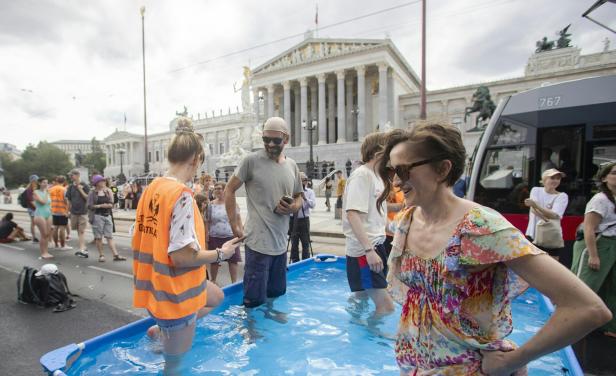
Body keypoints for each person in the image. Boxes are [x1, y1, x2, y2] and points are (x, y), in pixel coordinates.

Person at [376, 122, 611, 375]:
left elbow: (587, 308)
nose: (396, 181)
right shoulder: (407, 220)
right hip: (413, 364)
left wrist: (513, 360)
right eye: (391, 170)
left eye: (402, 169)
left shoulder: (479, 227)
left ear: (442, 169)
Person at [133, 117, 240, 374]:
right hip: (174, 296)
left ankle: (160, 330)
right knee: (176, 367)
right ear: (195, 159)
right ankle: (168, 332)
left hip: (153, 287)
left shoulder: (152, 188)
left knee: (216, 296)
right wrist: (220, 254)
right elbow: (181, 256)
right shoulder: (181, 195)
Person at [225, 116, 303, 308]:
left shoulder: (292, 165)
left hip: (280, 246)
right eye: (265, 139)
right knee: (254, 302)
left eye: (275, 140)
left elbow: (300, 197)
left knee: (276, 297)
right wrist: (234, 223)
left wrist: (293, 207)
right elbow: (229, 189)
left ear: (287, 139)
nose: (269, 144)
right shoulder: (250, 161)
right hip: (257, 245)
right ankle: (253, 336)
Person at [342, 132, 394, 316]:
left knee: (361, 299)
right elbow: (352, 213)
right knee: (387, 307)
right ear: (380, 151)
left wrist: (399, 230)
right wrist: (369, 250)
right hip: (364, 251)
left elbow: (377, 217)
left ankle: (357, 334)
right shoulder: (361, 175)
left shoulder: (378, 178)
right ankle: (373, 340)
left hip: (374, 246)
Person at [572, 161, 616, 338]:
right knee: (585, 287)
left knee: (611, 287)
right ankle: (570, 325)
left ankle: (609, 326)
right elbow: (589, 228)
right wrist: (593, 255)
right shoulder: (600, 200)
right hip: (598, 244)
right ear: (604, 178)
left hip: (612, 245)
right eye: (614, 173)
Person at [524, 168, 569, 260]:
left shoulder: (562, 196)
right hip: (533, 235)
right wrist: (548, 214)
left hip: (551, 236)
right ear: (544, 180)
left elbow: (555, 215)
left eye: (558, 178)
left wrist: (536, 206)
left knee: (553, 266)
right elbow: (533, 210)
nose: (555, 181)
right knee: (531, 266)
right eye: (552, 178)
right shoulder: (536, 190)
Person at [207, 182, 242, 284]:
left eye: (220, 188)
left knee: (233, 261)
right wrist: (206, 237)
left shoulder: (232, 204)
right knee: (214, 260)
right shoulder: (211, 205)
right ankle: (213, 281)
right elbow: (207, 221)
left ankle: (234, 283)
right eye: (216, 189)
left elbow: (238, 219)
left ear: (225, 190)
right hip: (214, 236)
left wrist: (241, 232)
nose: (217, 190)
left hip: (230, 236)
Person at [87, 175, 126, 262]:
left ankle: (116, 255)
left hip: (107, 215)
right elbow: (89, 206)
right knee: (99, 237)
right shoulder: (92, 192)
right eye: (101, 181)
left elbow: (111, 203)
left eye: (104, 181)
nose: (103, 182)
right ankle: (101, 255)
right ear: (96, 183)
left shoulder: (108, 191)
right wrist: (100, 205)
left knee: (109, 236)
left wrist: (108, 205)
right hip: (97, 216)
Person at [289, 172, 316, 263]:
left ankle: (306, 262)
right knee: (294, 243)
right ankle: (295, 262)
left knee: (305, 243)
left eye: (304, 180)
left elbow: (312, 205)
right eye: (299, 180)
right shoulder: (291, 191)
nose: (302, 182)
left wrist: (304, 198)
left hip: (304, 220)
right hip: (293, 219)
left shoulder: (310, 192)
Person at [66, 169, 90, 258]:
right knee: (77, 230)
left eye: (72, 175)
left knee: (81, 231)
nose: (70, 177)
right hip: (73, 212)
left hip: (83, 211)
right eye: (70, 176)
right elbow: (69, 200)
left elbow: (88, 198)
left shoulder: (84, 185)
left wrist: (80, 190)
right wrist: (67, 211)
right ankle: (83, 246)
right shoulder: (70, 187)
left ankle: (82, 249)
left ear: (77, 175)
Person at [33, 177, 53, 259]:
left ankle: (46, 251)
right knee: (43, 234)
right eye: (44, 182)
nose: (46, 184)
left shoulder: (46, 192)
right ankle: (43, 252)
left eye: (47, 183)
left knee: (48, 234)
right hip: (40, 214)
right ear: (39, 183)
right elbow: (43, 202)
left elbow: (48, 204)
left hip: (48, 214)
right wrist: (47, 193)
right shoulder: (35, 192)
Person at [49, 176, 72, 250]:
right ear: (64, 181)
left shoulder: (51, 189)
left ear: (56, 181)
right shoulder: (64, 189)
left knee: (55, 228)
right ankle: (63, 245)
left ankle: (56, 244)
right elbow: (66, 201)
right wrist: (68, 210)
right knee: (62, 228)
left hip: (53, 211)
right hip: (62, 211)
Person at [25, 174, 39, 242]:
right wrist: (38, 208)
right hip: (32, 209)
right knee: (33, 223)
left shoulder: (35, 188)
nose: (37, 181)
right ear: (33, 181)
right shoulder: (29, 189)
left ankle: (36, 237)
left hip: (35, 208)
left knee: (36, 223)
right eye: (36, 180)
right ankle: (33, 237)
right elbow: (31, 200)